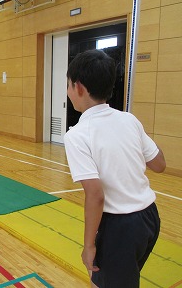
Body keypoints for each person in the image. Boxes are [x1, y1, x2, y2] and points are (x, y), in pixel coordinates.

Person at [63, 49, 166, 288]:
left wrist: (89, 245)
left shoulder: (77, 135)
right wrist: (135, 135)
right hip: (150, 219)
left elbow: (96, 195)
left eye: (68, 85)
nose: (68, 92)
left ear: (79, 87)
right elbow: (159, 164)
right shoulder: (129, 120)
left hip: (120, 227)